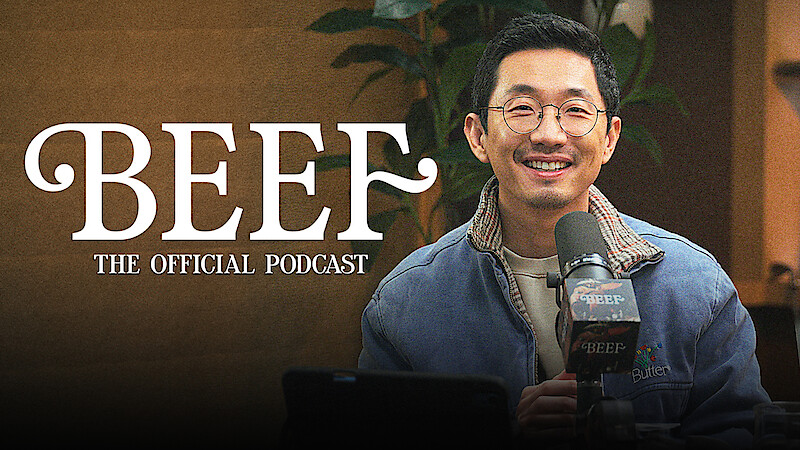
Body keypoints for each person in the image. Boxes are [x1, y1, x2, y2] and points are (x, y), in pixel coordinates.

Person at [358, 12, 769, 448]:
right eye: (522, 109)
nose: (550, 134)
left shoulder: (694, 288)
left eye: (575, 111)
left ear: (609, 138)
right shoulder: (407, 303)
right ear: (478, 137)